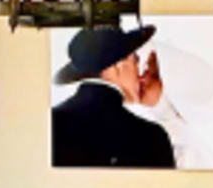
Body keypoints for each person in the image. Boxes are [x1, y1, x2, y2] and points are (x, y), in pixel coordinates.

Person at [51, 19, 177, 169]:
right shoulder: (150, 137)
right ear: (119, 64)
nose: (139, 74)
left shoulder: (50, 123)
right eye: (136, 60)